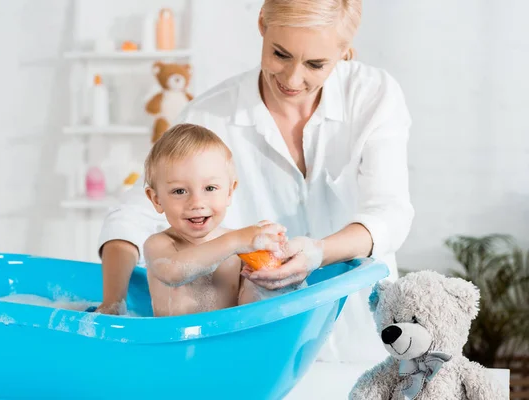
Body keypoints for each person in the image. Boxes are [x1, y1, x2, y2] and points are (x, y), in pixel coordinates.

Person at [96, 0, 414, 363]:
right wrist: (113, 304)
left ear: (345, 53)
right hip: (262, 348)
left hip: (367, 334)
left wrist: (318, 252)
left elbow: (389, 213)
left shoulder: (372, 95)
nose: (293, 79)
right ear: (262, 23)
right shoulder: (210, 116)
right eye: (280, 54)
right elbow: (134, 213)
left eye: (315, 64)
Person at [140, 123, 296, 316]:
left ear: (230, 192)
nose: (197, 202)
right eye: (179, 191)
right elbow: (174, 272)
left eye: (210, 188)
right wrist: (237, 241)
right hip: (177, 345)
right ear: (156, 199)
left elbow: (247, 308)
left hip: (226, 343)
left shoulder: (239, 248)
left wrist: (266, 273)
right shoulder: (159, 245)